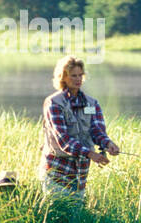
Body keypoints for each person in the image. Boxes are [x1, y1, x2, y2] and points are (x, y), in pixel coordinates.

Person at [41, 55, 120, 201]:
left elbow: (97, 131)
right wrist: (91, 154)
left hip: (81, 172)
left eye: (80, 75)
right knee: (55, 213)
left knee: (76, 215)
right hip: (56, 170)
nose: (78, 79)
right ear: (63, 77)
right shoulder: (54, 103)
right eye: (73, 75)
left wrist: (108, 144)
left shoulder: (91, 103)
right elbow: (63, 140)